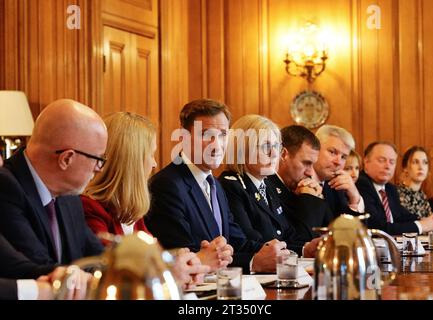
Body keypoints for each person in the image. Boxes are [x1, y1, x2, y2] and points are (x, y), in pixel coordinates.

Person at [146, 99, 296, 273]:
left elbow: (235, 240)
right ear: (182, 138)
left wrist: (275, 252)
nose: (216, 145)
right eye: (206, 135)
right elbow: (184, 255)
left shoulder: (215, 184)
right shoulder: (167, 185)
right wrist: (253, 262)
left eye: (223, 134)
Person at [81, 112, 209, 289]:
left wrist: (185, 265)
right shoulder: (90, 207)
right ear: (132, 161)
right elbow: (112, 273)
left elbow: (153, 260)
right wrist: (170, 273)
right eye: (151, 154)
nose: (155, 163)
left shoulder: (131, 209)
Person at [0, 99, 105, 265]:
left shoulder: (69, 195)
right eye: (98, 158)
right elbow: (40, 267)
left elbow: (99, 258)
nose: (99, 168)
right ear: (66, 159)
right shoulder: (6, 188)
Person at [218, 115, 318, 254]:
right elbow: (248, 241)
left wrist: (305, 248)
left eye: (276, 146)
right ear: (242, 150)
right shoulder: (231, 186)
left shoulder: (267, 184)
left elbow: (286, 234)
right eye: (266, 146)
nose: (274, 154)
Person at [0, 154, 90, 300]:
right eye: (98, 159)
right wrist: (40, 290)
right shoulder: (9, 186)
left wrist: (64, 275)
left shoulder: (69, 197)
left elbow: (17, 266)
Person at [356, 141, 433, 235]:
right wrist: (421, 225)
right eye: (382, 160)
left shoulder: (389, 188)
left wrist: (428, 220)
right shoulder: (361, 184)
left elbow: (401, 216)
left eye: (392, 162)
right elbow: (377, 228)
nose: (387, 166)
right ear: (366, 161)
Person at [267, 125, 332, 239]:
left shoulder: (300, 187)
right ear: (283, 155)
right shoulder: (267, 186)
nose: (311, 172)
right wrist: (308, 198)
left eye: (312, 164)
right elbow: (302, 239)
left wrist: (316, 197)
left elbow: (331, 232)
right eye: (306, 163)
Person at [313, 125, 365, 217]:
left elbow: (353, 229)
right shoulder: (298, 181)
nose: (338, 162)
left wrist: (354, 197)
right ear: (315, 149)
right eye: (332, 152)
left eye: (343, 157)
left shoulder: (335, 185)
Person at [398, 146, 433, 218]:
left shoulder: (422, 195)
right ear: (405, 168)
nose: (421, 167)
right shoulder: (397, 194)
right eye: (415, 162)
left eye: (425, 162)